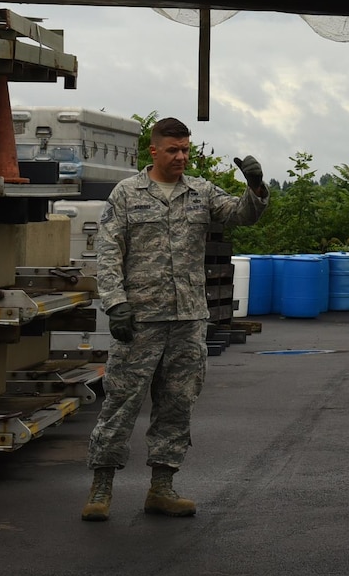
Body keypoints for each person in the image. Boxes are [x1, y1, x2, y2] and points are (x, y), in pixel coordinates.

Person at [81, 118, 267, 521]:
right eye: (173, 150)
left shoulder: (199, 192)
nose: (181, 156)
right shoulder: (127, 194)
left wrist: (254, 188)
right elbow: (109, 252)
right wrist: (115, 304)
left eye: (185, 150)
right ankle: (101, 488)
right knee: (121, 402)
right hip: (141, 319)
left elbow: (240, 215)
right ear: (154, 151)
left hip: (187, 319)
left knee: (177, 403)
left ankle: (162, 487)